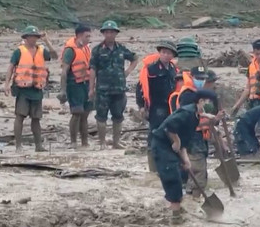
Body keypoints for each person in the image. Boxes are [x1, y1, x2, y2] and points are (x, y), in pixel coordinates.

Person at [151, 89, 216, 224]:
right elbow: (169, 126)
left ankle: (175, 207)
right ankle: (175, 214)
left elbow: (185, 140)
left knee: (180, 173)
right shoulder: (186, 113)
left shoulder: (195, 117)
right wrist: (176, 141)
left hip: (172, 146)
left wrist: (186, 159)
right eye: (208, 102)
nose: (210, 105)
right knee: (172, 174)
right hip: (162, 145)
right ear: (201, 101)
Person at [4, 25, 58, 153]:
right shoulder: (19, 51)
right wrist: (6, 84)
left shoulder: (41, 50)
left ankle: (38, 146)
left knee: (36, 118)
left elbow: (54, 56)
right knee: (20, 116)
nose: (33, 39)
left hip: (37, 89)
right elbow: (11, 67)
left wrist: (47, 41)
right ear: (26, 38)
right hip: (23, 89)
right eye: (31, 36)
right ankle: (18, 146)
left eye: (35, 37)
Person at [89, 20, 139, 149]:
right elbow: (93, 69)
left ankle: (116, 142)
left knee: (118, 117)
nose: (109, 35)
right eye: (107, 32)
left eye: (112, 32)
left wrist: (128, 71)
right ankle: (102, 143)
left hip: (119, 89)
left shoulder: (121, 49)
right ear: (103, 33)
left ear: (116, 33)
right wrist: (91, 88)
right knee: (101, 117)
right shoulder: (97, 50)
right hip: (102, 89)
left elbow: (134, 58)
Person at [178, 67, 219, 198]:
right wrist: (212, 121)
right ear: (192, 77)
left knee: (197, 171)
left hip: (200, 136)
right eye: (198, 78)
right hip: (192, 137)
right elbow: (190, 120)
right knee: (198, 172)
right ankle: (194, 199)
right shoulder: (188, 95)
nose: (201, 81)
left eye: (203, 78)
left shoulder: (198, 94)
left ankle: (192, 198)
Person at [139, 41, 178, 172]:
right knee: (155, 135)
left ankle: (166, 165)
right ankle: (153, 169)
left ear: (172, 55)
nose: (165, 55)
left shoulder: (174, 69)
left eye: (168, 53)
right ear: (159, 53)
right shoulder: (151, 69)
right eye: (163, 52)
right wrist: (142, 107)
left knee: (170, 134)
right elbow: (141, 88)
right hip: (156, 107)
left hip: (170, 107)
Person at [58, 25, 92, 150]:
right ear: (78, 36)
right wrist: (63, 90)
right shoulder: (70, 50)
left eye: (89, 36)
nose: (88, 39)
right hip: (74, 85)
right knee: (77, 113)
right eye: (86, 36)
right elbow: (64, 71)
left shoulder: (87, 49)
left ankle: (85, 142)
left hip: (87, 84)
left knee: (85, 114)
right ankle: (73, 142)